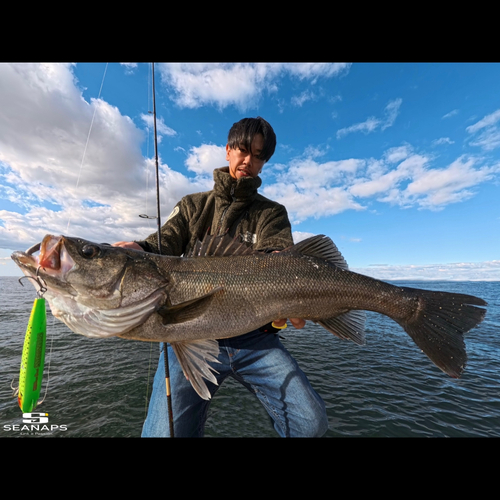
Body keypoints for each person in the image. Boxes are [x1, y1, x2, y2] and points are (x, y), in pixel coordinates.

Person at [114, 117, 328, 437]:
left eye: (258, 156)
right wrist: (139, 247)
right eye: (242, 150)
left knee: (310, 423)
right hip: (189, 334)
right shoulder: (192, 206)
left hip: (254, 335)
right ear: (227, 150)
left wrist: (289, 288)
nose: (248, 161)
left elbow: (277, 257)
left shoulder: (271, 213)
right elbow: (162, 245)